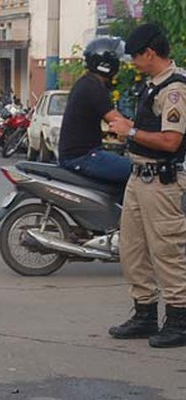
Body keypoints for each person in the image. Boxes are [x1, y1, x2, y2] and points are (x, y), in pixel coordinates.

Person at [107, 23, 186, 348]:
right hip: (139, 178)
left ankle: (180, 320)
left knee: (168, 251)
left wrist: (131, 132)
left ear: (150, 53)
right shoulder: (152, 85)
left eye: (135, 57)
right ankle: (144, 314)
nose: (132, 63)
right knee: (133, 250)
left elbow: (171, 141)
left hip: (163, 182)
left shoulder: (175, 90)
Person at [57, 37, 132, 185]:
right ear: (106, 64)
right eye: (117, 60)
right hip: (83, 157)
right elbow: (116, 121)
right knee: (137, 172)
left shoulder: (87, 83)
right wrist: (143, 132)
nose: (120, 66)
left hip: (81, 154)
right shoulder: (93, 87)